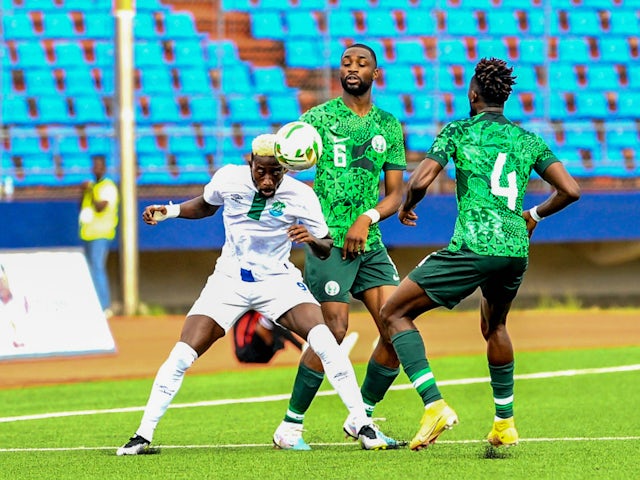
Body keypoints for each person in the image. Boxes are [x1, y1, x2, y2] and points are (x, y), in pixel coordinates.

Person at [116, 134, 394, 455]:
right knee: (182, 355)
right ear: (251, 162)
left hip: (277, 281)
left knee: (326, 341)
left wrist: (311, 241)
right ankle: (142, 436)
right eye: (261, 170)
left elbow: (325, 245)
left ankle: (362, 424)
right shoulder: (229, 178)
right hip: (229, 280)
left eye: (275, 172)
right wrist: (170, 210)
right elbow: (206, 206)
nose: (268, 179)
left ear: (286, 169)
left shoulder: (301, 195)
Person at [379, 58, 581, 451]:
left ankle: (434, 404)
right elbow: (571, 190)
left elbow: (420, 178)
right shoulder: (526, 139)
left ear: (472, 94)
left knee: (393, 313)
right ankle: (504, 424)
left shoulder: (458, 130)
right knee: (495, 327)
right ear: (505, 98)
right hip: (513, 249)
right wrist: (534, 214)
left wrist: (407, 204)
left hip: (474, 245)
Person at [272, 43, 407, 450]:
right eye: (346, 62)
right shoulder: (317, 119)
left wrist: (367, 219)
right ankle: (290, 427)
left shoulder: (389, 125)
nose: (352, 68)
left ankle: (360, 416)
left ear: (375, 74)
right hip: (327, 240)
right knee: (332, 330)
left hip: (371, 240)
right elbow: (286, 160)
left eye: (361, 63)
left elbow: (395, 194)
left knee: (397, 329)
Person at [79, 155, 119, 316]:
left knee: (97, 267)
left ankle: (104, 306)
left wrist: (90, 190)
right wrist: (84, 192)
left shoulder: (108, 187)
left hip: (101, 233)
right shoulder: (93, 186)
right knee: (90, 269)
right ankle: (95, 304)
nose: (95, 169)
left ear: (104, 168)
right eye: (93, 166)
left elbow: (100, 207)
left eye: (98, 166)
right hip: (88, 233)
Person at [233, 310, 304, 364]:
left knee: (275, 317)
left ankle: (302, 347)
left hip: (261, 356)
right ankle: (302, 347)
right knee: (272, 317)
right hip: (248, 350)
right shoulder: (250, 303)